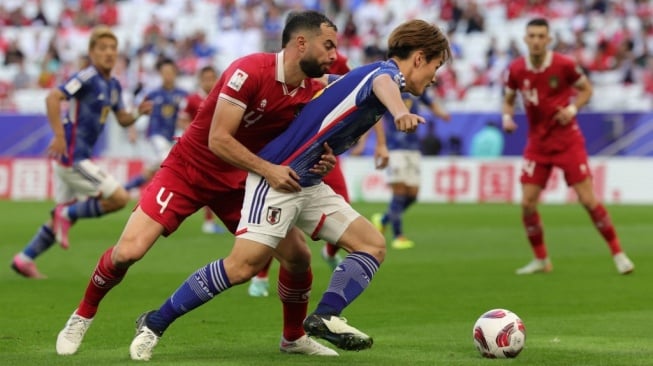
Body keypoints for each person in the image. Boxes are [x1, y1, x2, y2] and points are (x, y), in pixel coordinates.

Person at [128, 19, 451, 361]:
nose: (434, 77)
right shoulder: (385, 75)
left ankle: (324, 317)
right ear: (418, 58)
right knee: (241, 267)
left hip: (308, 182)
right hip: (277, 180)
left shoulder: (372, 78)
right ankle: (155, 321)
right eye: (435, 66)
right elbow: (384, 82)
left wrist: (328, 154)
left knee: (371, 244)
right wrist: (399, 111)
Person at [56, 11, 341, 358]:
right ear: (301, 43)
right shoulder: (249, 70)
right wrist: (268, 170)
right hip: (188, 169)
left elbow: (304, 143)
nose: (333, 56)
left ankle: (293, 338)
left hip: (240, 182)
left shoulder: (311, 92)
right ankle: (83, 313)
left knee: (297, 258)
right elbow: (218, 140)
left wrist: (323, 159)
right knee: (128, 252)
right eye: (327, 46)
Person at [10, 26, 151, 279]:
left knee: (62, 221)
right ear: (92, 52)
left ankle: (25, 258)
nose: (109, 53)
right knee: (118, 198)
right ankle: (66, 213)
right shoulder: (86, 77)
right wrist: (60, 136)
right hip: (73, 158)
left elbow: (123, 119)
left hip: (76, 157)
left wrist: (139, 112)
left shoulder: (114, 86)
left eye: (112, 48)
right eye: (103, 48)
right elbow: (53, 97)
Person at [246, 51, 390, 297]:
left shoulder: (343, 63)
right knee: (278, 216)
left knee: (343, 205)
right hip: (293, 148)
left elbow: (369, 98)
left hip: (324, 150)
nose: (329, 50)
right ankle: (260, 275)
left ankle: (331, 253)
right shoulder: (284, 67)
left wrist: (379, 142)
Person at [502, 18, 634, 275]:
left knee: (587, 199)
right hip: (538, 144)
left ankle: (618, 253)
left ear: (549, 39)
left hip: (567, 141)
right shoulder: (516, 69)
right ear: (526, 39)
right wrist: (507, 119)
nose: (537, 40)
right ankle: (541, 260)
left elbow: (586, 90)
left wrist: (572, 109)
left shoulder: (564, 65)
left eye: (542, 36)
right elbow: (508, 100)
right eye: (532, 36)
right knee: (528, 203)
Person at [369, 91, 450, 249]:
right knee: (399, 193)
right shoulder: (388, 86)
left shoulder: (417, 87)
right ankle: (398, 236)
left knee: (413, 195)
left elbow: (430, 102)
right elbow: (375, 116)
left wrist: (443, 114)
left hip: (413, 147)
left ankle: (384, 220)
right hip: (395, 147)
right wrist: (381, 143)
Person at [124, 58, 188, 191]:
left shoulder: (183, 95)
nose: (167, 75)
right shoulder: (152, 94)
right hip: (156, 134)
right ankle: (164, 193)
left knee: (151, 170)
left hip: (174, 137)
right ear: (160, 74)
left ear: (175, 73)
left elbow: (189, 116)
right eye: (164, 72)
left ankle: (127, 187)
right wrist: (132, 129)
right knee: (167, 160)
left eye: (170, 72)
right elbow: (135, 108)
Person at [177, 65, 226, 235]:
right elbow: (182, 120)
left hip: (217, 147)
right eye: (206, 79)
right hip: (198, 150)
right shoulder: (192, 99)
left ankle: (210, 221)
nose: (209, 82)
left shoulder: (222, 97)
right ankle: (208, 222)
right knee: (206, 183)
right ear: (200, 80)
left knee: (212, 184)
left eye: (212, 78)